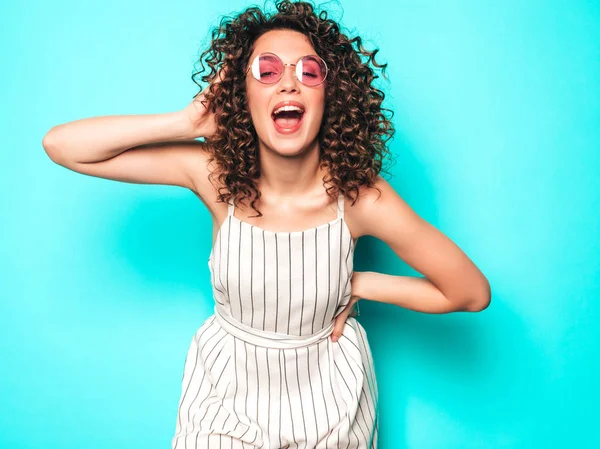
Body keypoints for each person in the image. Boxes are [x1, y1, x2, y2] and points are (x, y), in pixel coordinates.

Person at [42, 1, 491, 447]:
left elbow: (470, 292)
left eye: (309, 72)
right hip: (224, 398)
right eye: (267, 70)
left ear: (330, 95)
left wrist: (360, 283)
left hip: (330, 401)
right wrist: (184, 122)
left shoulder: (360, 198)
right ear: (242, 96)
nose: (289, 84)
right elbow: (63, 146)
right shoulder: (216, 178)